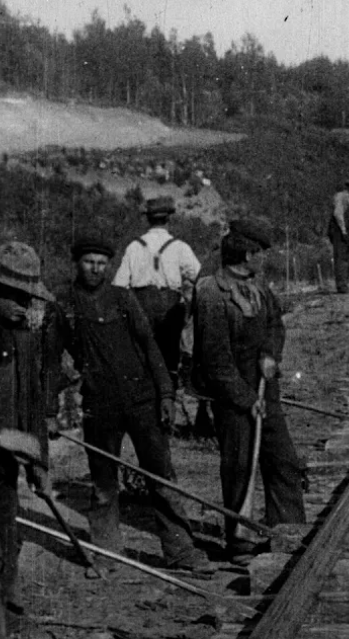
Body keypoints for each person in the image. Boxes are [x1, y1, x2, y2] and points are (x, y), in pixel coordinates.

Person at [62, 235, 211, 575]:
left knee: (162, 476)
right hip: (99, 407)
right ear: (77, 263)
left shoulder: (123, 298)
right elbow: (53, 353)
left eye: (101, 263)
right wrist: (56, 401)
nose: (95, 269)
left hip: (142, 400)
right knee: (103, 485)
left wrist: (166, 395)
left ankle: (181, 552)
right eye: (89, 261)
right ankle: (106, 554)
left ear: (108, 266)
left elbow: (151, 348)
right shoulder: (66, 305)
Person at [192, 220, 306, 565]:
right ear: (246, 254)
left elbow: (275, 325)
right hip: (233, 399)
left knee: (283, 460)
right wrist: (245, 399)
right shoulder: (212, 293)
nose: (264, 260)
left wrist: (270, 354)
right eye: (260, 253)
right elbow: (216, 361)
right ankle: (239, 542)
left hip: (265, 389)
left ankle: (286, 530)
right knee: (240, 465)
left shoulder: (259, 288)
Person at [0, 242, 63, 637]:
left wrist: (39, 461)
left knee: (7, 527)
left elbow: (32, 400)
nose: (24, 304)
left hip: (8, 453)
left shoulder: (25, 333)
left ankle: (10, 604)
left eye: (27, 296)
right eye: (15, 295)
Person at [112, 196, 201, 388]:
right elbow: (200, 278)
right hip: (170, 306)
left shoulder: (134, 247)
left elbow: (119, 285)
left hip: (140, 305)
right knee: (169, 358)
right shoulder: (180, 247)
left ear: (147, 220)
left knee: (143, 356)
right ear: (168, 219)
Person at [327, 178, 349, 294]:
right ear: (347, 187)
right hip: (339, 230)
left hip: (345, 231)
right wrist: (344, 231)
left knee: (346, 257)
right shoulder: (341, 196)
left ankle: (344, 283)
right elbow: (338, 214)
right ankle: (341, 286)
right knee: (341, 258)